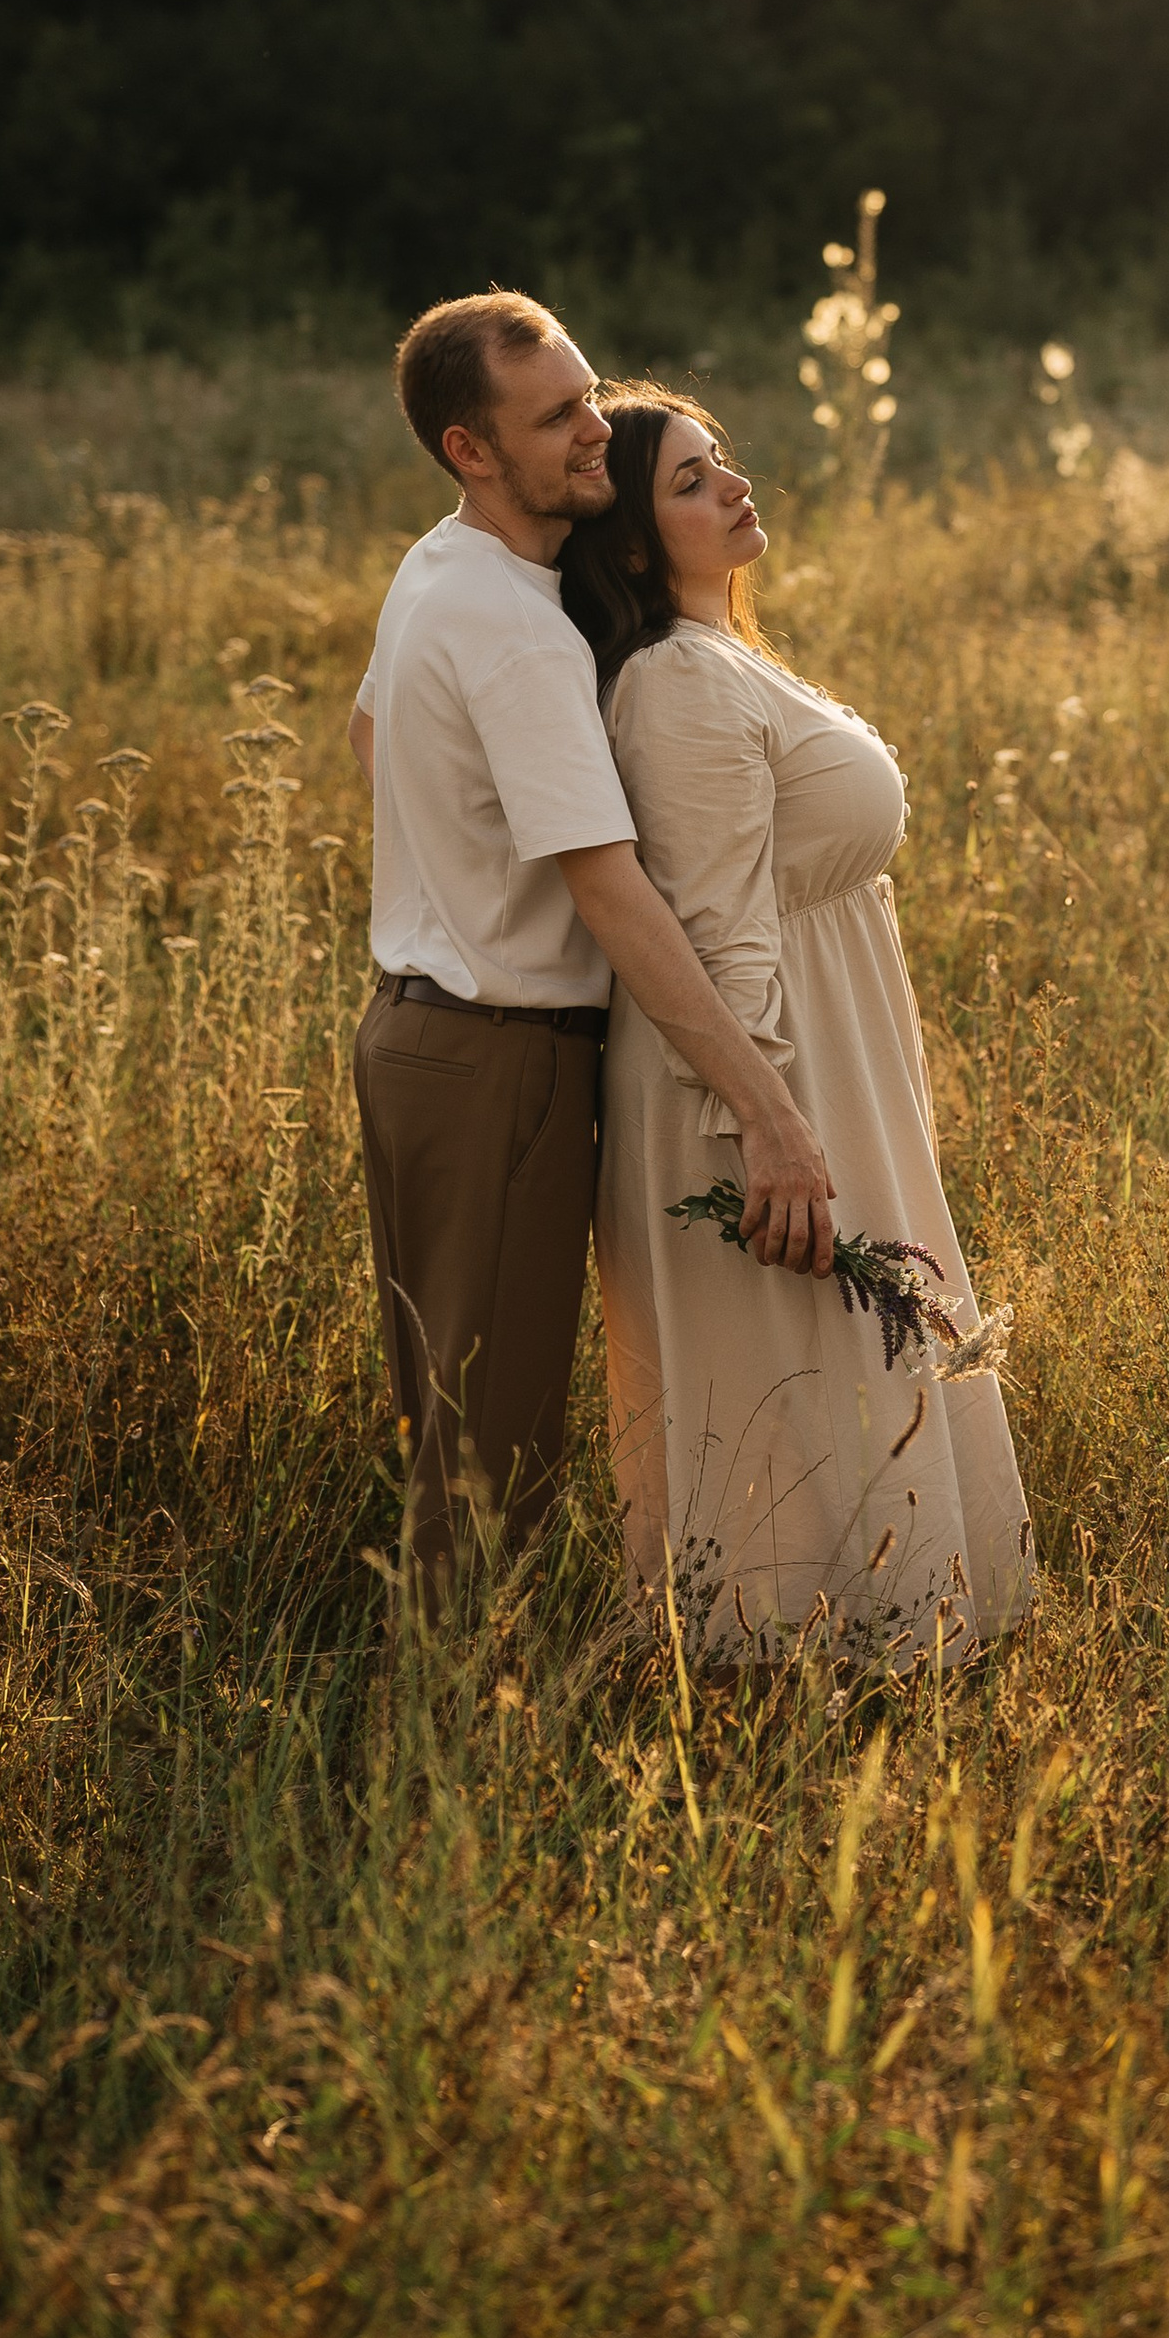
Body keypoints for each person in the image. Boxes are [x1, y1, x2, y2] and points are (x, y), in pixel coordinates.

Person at [348, 296, 834, 1607]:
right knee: (490, 1455)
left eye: (587, 394)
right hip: (500, 1057)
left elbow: (372, 738)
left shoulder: (438, 570)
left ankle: (445, 1723)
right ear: (470, 449)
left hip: (418, 1035)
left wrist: (450, 875)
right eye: (556, 417)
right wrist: (771, 1117)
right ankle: (455, 1759)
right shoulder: (516, 628)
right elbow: (612, 894)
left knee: (449, 1423)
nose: (594, 433)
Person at [561, 386, 1037, 1674]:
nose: (733, 487)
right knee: (798, 1357)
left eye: (723, 465)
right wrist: (767, 1130)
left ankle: (878, 1635)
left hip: (827, 1049)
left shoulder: (720, 657)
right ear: (637, 545)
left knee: (853, 1352)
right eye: (691, 483)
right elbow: (719, 929)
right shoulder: (670, 683)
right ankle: (791, 1660)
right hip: (763, 1074)